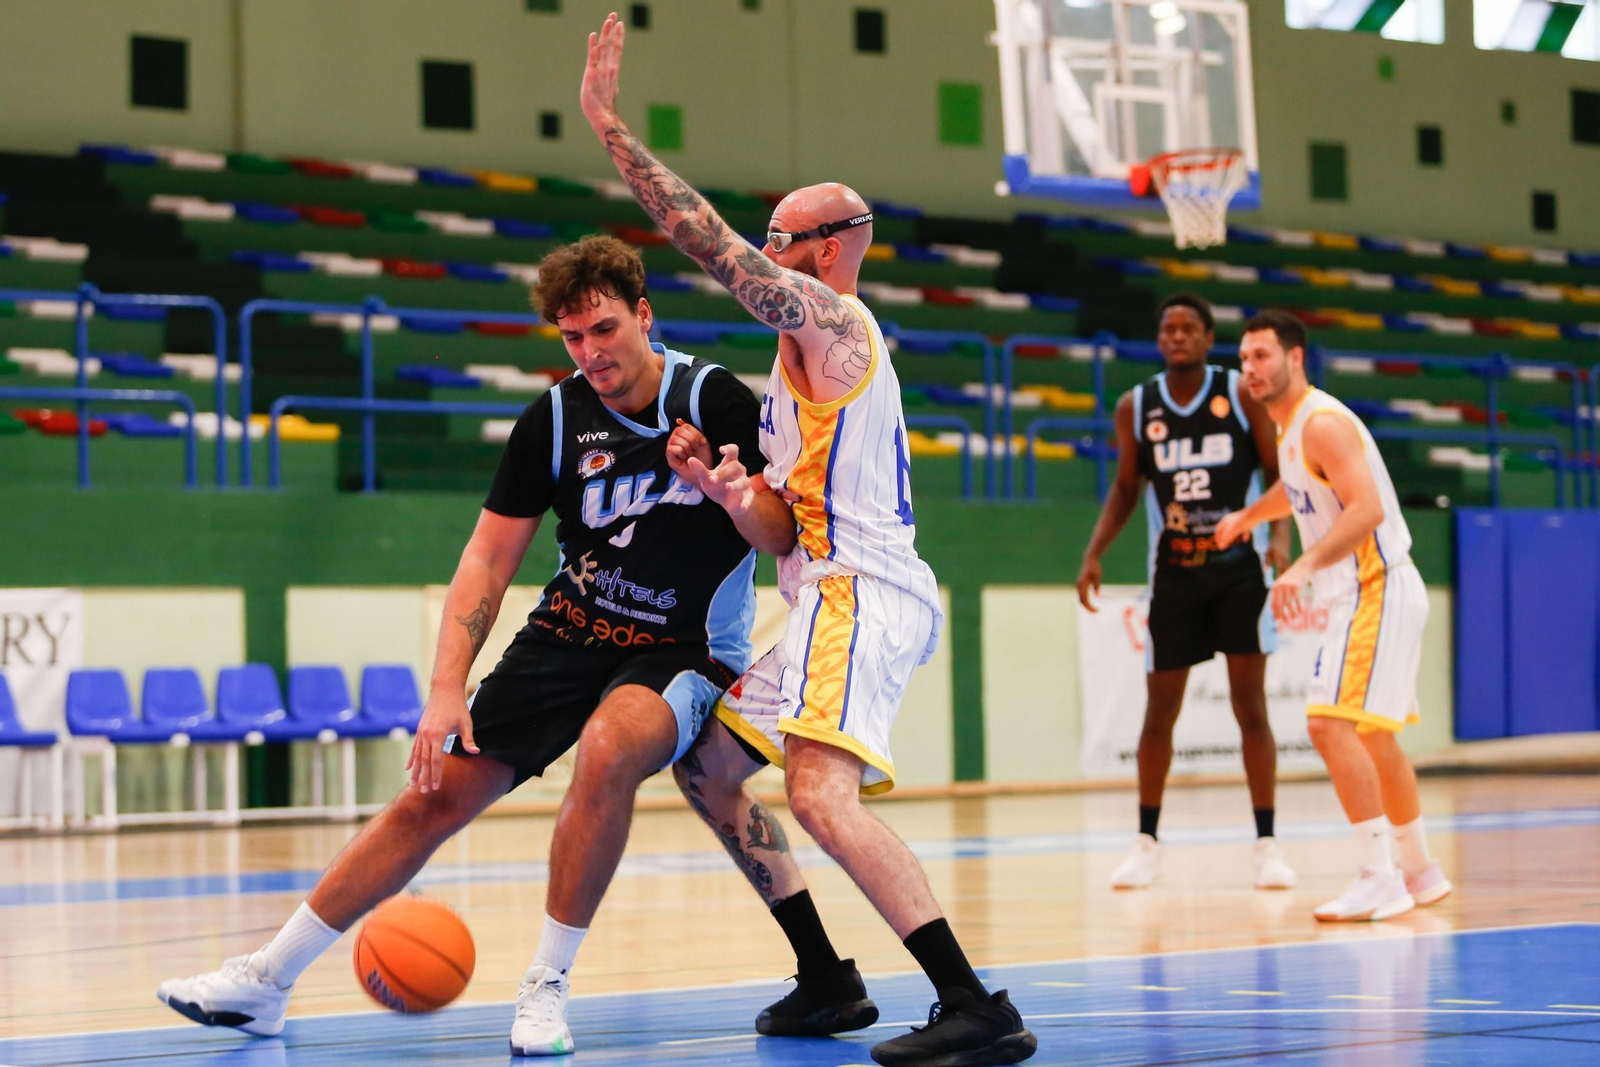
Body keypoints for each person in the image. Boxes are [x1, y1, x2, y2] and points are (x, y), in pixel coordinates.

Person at [155, 235, 869, 1055]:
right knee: (431, 794)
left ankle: (546, 985)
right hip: (570, 628)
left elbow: (782, 535)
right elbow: (488, 557)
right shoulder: (555, 417)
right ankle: (265, 981)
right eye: (572, 338)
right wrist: (444, 687)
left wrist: (726, 487)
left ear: (644, 315)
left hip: (683, 646)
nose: (590, 353)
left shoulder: (714, 399)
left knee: (608, 748)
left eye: (603, 330)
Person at [581, 13, 1036, 1066]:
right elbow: (779, 525)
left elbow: (710, 246)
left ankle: (976, 1004)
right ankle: (826, 977)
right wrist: (721, 487)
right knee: (706, 765)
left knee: (820, 792)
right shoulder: (791, 386)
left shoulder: (836, 327)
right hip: (822, 583)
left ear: (824, 250)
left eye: (779, 238)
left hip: (863, 589)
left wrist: (612, 130)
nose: (763, 252)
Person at [1216, 309, 1453, 922]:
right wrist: (1248, 517)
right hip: (1375, 589)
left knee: (1328, 724)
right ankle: (1421, 871)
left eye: (1262, 356)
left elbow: (1366, 508)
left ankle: (1381, 877)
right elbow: (1296, 489)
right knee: (1373, 732)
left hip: (1373, 584)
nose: (1251, 369)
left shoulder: (1321, 422)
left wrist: (1298, 567)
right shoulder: (1293, 427)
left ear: (1296, 358)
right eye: (1244, 359)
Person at [1076, 293, 1298, 891]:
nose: (1177, 336)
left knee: (1250, 707)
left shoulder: (1242, 394)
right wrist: (1094, 553)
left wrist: (1280, 537)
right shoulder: (1136, 406)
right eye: (1168, 328)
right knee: (1159, 714)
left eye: (1188, 328)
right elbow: (1126, 488)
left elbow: (1279, 476)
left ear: (1207, 337)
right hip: (1173, 574)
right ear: (1159, 339)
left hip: (1240, 571)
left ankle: (1267, 844)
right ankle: (1146, 842)